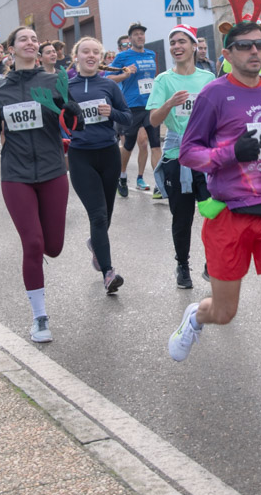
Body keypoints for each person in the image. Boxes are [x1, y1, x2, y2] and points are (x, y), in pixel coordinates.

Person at [169, 18, 261, 431]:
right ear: (228, 54)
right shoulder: (214, 94)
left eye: (260, 45)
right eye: (246, 46)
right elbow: (189, 152)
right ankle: (196, 317)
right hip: (230, 213)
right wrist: (232, 153)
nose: (254, 51)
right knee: (225, 312)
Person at [0, 25, 83, 342]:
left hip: (53, 170)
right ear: (11, 49)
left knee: (53, 247)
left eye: (34, 39)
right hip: (16, 173)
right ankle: (39, 317)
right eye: (23, 39)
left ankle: (41, 260)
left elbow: (75, 123)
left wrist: (73, 111)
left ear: (38, 48)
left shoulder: (55, 82)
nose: (30, 42)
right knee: (34, 244)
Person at [147, 24, 214, 288]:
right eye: (173, 42)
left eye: (182, 41)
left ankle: (212, 262)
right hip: (178, 156)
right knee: (182, 217)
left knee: (213, 213)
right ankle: (183, 265)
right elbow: (154, 120)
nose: (176, 46)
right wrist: (169, 104)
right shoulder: (163, 80)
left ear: (194, 46)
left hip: (205, 157)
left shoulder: (208, 79)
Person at [66, 36, 133, 294]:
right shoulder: (67, 87)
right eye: (86, 51)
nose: (91, 55)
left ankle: (96, 244)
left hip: (108, 155)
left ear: (101, 58)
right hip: (81, 156)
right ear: (77, 57)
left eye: (96, 52)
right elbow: (56, 118)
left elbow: (127, 117)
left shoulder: (109, 86)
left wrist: (111, 113)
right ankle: (108, 273)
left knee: (107, 215)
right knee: (98, 215)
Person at [107, 23, 163, 200]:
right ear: (130, 39)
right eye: (136, 34)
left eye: (142, 34)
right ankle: (122, 177)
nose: (140, 36)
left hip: (150, 105)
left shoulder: (151, 54)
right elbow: (109, 78)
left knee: (155, 144)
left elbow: (153, 78)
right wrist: (125, 75)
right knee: (129, 145)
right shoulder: (123, 57)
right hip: (132, 107)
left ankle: (159, 184)